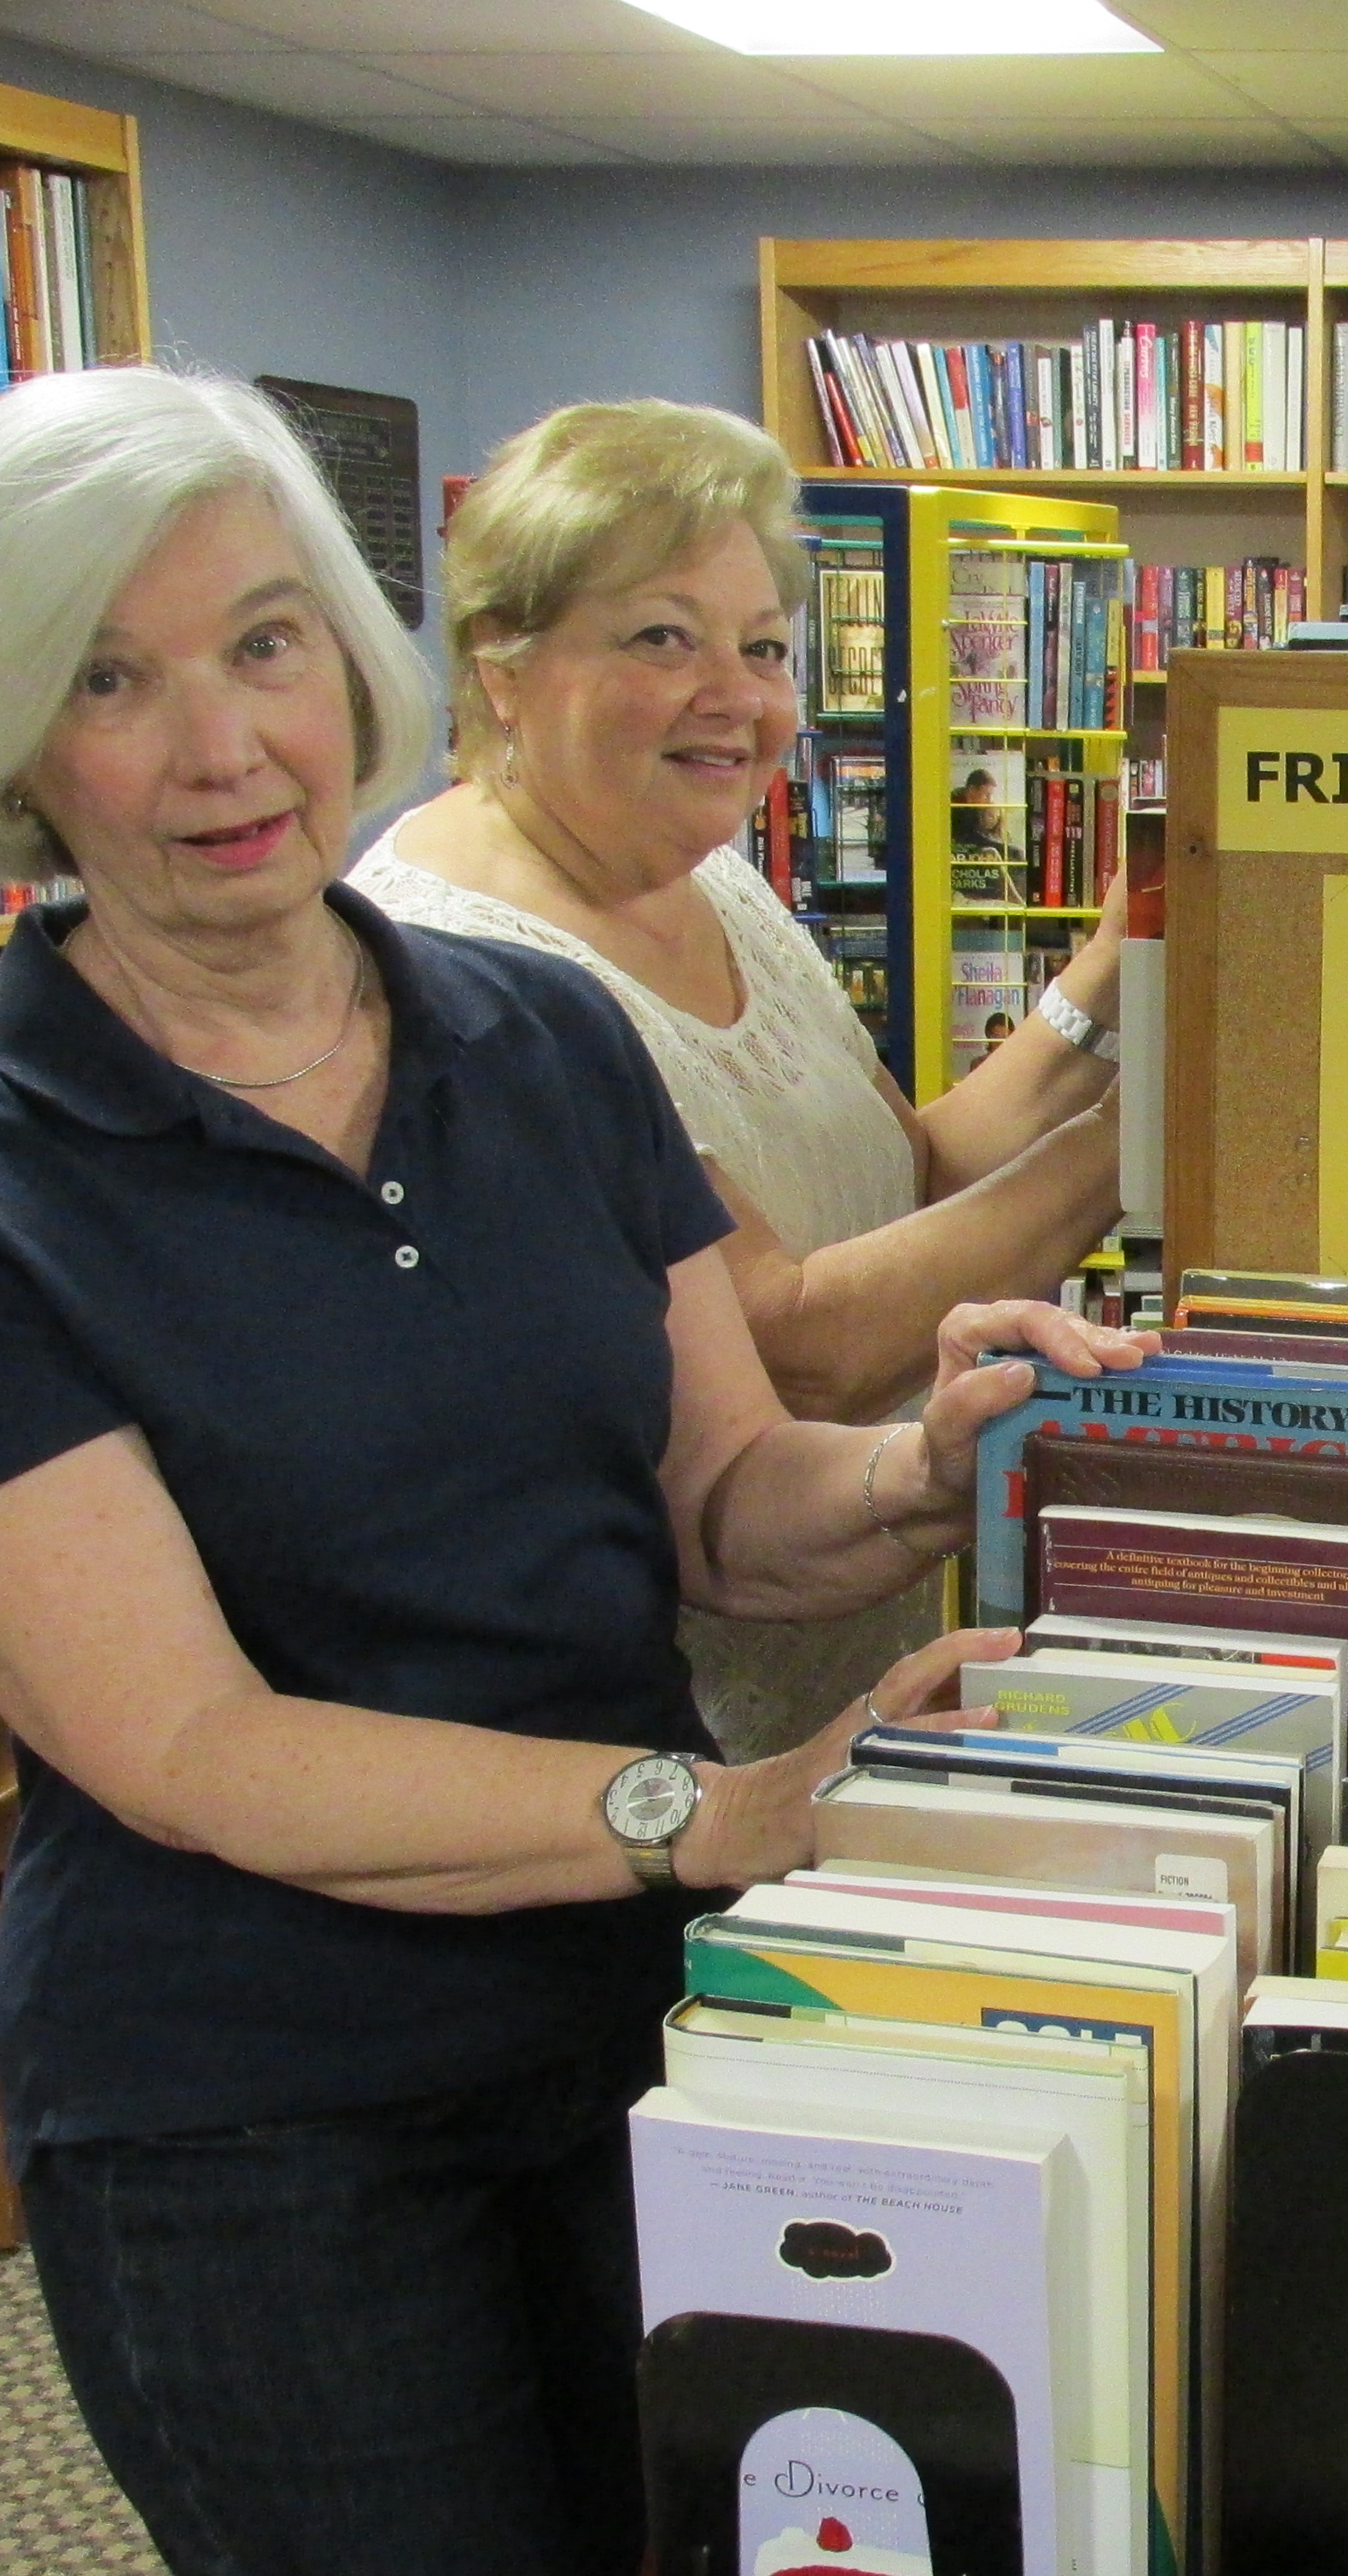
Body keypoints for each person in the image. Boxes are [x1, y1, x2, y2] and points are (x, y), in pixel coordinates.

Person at [0, 363, 1149, 2576]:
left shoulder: (530, 1032)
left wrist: (920, 1463)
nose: (221, 742)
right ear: (11, 742)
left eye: (270, 644)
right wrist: (711, 1810)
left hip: (627, 2039)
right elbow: (196, 1750)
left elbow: (724, 1509)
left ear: (365, 667)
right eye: (111, 678)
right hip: (260, 2120)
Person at [349, 399, 1127, 1761]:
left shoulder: (709, 874)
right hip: (660, 1727)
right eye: (662, 637)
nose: (741, 698)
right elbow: (798, 1345)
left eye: (763, 646)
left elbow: (918, 1174)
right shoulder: (458, 966)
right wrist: (1147, 1138)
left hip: (852, 1615)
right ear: (504, 662)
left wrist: (1127, 961)